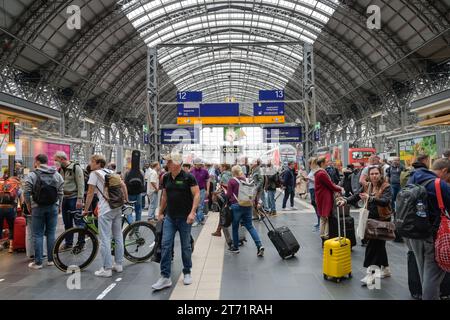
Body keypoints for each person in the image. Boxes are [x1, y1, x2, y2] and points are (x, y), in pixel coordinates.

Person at [152, 153, 200, 290]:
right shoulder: (165, 177)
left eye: (169, 162)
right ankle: (165, 277)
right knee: (166, 245)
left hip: (185, 218)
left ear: (177, 164)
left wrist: (192, 212)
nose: (167, 164)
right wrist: (160, 211)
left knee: (186, 246)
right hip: (170, 218)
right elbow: (165, 196)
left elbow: (196, 194)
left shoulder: (188, 177)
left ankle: (187, 272)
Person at [338, 165, 393, 285]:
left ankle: (371, 274)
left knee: (373, 247)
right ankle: (386, 269)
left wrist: (371, 199)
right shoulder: (368, 186)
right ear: (369, 175)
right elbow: (357, 195)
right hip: (371, 220)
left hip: (382, 220)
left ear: (380, 174)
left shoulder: (386, 186)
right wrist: (346, 201)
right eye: (372, 174)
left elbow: (385, 202)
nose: (374, 176)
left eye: (376, 173)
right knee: (379, 246)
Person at [405, 158, 450, 300]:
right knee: (434, 274)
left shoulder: (412, 179)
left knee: (423, 269)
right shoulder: (439, 184)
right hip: (432, 235)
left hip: (413, 234)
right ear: (444, 171)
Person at [84, 154, 128, 277]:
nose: (90, 164)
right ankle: (118, 265)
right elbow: (123, 186)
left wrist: (85, 209)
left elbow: (90, 193)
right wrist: (126, 199)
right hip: (117, 207)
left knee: (104, 239)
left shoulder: (94, 174)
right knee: (118, 236)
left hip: (106, 209)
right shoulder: (111, 171)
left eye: (92, 161)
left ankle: (107, 269)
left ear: (98, 163)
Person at [24, 154, 64, 269]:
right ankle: (51, 260)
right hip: (53, 206)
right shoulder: (56, 174)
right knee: (51, 233)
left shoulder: (32, 175)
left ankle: (38, 263)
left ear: (37, 162)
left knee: (38, 234)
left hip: (37, 207)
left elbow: (26, 192)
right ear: (47, 162)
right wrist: (59, 205)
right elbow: (61, 191)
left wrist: (28, 205)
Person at [226, 165, 264, 256]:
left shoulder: (232, 181)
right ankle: (259, 245)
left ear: (233, 172)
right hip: (248, 205)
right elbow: (252, 192)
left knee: (235, 227)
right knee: (250, 226)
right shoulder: (247, 180)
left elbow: (229, 195)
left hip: (236, 206)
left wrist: (228, 203)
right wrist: (255, 203)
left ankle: (236, 247)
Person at [53, 151, 85, 250]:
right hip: (65, 199)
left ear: (62, 159)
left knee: (78, 222)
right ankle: (69, 243)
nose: (55, 162)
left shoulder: (76, 168)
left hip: (74, 198)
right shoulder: (60, 170)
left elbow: (81, 184)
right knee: (67, 222)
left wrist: (80, 199)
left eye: (56, 160)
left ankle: (81, 243)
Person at [315, 156, 343, 245]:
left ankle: (324, 237)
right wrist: (340, 189)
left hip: (321, 197)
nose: (328, 163)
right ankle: (325, 238)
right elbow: (330, 185)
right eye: (326, 161)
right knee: (325, 217)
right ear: (322, 163)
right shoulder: (322, 173)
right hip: (325, 197)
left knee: (323, 218)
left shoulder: (320, 172)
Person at [0, 170, 22, 253]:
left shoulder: (2, 183)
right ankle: (11, 247)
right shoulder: (17, 186)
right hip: (10, 208)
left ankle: (0, 244)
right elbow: (21, 200)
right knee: (11, 227)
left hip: (0, 208)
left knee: (0, 226)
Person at [212, 164, 232, 237]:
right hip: (230, 197)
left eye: (221, 167)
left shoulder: (224, 176)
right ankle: (218, 230)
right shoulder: (231, 174)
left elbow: (225, 187)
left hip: (224, 197)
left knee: (223, 214)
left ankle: (219, 231)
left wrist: (217, 191)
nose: (220, 168)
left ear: (224, 167)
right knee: (225, 213)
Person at [124, 153, 145, 222]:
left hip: (129, 194)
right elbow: (143, 183)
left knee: (129, 211)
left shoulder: (127, 172)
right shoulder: (141, 172)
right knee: (138, 211)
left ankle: (131, 225)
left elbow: (124, 183)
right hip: (138, 194)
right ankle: (137, 228)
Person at [190, 158, 210, 227]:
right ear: (195, 164)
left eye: (201, 164)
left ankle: (198, 221)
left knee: (200, 205)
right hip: (193, 191)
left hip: (201, 190)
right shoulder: (191, 171)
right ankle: (201, 218)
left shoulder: (205, 171)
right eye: (198, 164)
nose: (200, 165)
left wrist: (207, 190)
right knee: (195, 205)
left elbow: (208, 181)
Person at [307, 158, 320, 232]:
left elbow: (318, 180)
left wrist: (310, 179)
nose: (309, 165)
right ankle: (319, 222)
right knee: (314, 205)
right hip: (312, 189)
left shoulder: (316, 170)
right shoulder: (312, 170)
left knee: (316, 205)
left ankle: (320, 223)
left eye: (310, 163)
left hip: (315, 189)